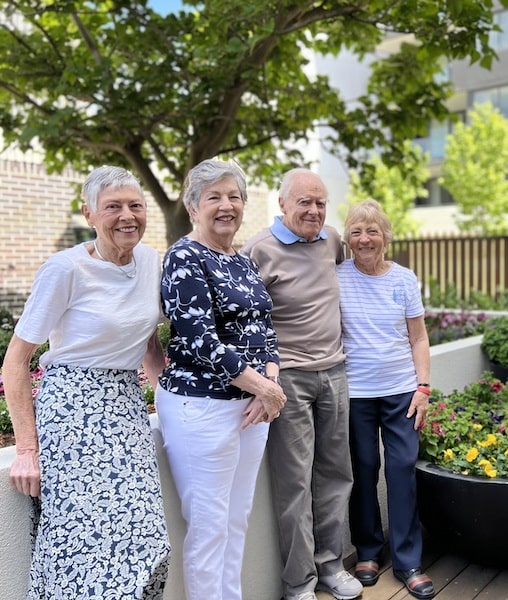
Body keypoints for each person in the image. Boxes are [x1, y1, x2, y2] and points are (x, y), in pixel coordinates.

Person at [2, 165, 170, 598]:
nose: (127, 215)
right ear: (89, 214)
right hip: (72, 409)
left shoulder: (151, 260)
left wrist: (176, 413)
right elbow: (16, 362)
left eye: (135, 205)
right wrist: (25, 451)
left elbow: (149, 346)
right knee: (82, 541)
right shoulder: (65, 269)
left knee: (147, 536)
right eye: (112, 207)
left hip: (127, 407)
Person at [156, 159, 285, 600]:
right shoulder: (183, 257)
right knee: (209, 527)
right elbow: (197, 339)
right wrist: (264, 388)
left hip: (250, 410)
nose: (226, 205)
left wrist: (270, 382)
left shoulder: (242, 260)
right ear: (194, 206)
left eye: (234, 196)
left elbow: (265, 329)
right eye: (214, 197)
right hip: (202, 409)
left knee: (236, 520)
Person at [241, 168, 362, 600]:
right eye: (304, 202)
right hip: (286, 379)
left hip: (335, 372)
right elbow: (245, 322)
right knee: (294, 483)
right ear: (282, 204)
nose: (313, 210)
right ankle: (299, 583)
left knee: (335, 474)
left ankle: (330, 565)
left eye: (320, 202)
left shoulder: (332, 241)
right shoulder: (257, 249)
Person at [336, 200, 435, 600]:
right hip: (356, 393)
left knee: (402, 471)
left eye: (372, 231)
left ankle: (408, 560)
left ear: (385, 237)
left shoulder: (404, 279)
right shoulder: (336, 277)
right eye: (357, 232)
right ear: (348, 239)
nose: (364, 239)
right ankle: (369, 552)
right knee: (362, 472)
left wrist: (423, 388)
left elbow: (419, 338)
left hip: (402, 393)